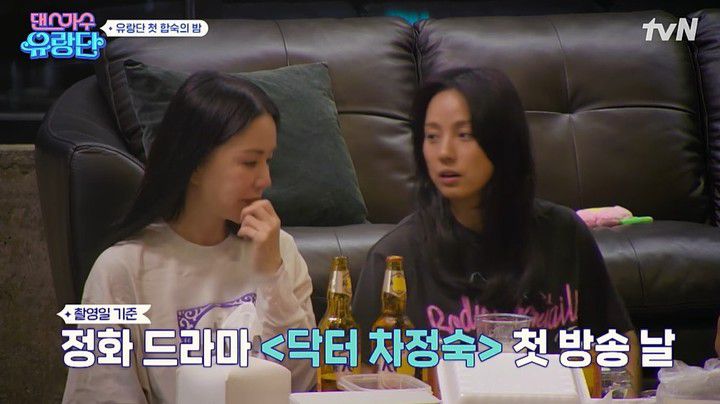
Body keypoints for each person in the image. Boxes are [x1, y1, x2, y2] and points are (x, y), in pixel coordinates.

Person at [352, 67, 641, 394]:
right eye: (432, 136)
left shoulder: (565, 235)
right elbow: (362, 374)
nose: (444, 152)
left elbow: (617, 340)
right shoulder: (395, 258)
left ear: (504, 142)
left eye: (464, 135)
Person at [62, 71, 316, 403]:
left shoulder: (278, 249)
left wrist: (272, 276)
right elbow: (99, 395)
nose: (265, 179)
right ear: (195, 164)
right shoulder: (121, 270)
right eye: (249, 162)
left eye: (268, 161)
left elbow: (302, 383)